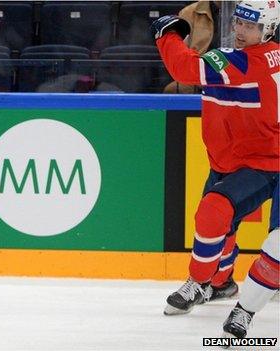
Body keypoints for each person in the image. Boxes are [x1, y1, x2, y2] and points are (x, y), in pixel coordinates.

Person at [150, 0, 279, 338]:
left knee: (216, 211)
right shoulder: (262, 56)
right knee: (223, 219)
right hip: (235, 158)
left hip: (261, 162)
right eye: (238, 22)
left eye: (250, 27)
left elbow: (184, 71)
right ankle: (220, 283)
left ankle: (204, 284)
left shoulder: (243, 61)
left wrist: (167, 35)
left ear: (268, 29)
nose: (240, 30)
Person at [163, 1, 222, 94]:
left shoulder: (247, 10)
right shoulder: (189, 13)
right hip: (198, 75)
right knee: (173, 89)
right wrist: (198, 77)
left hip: (237, 74)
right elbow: (180, 55)